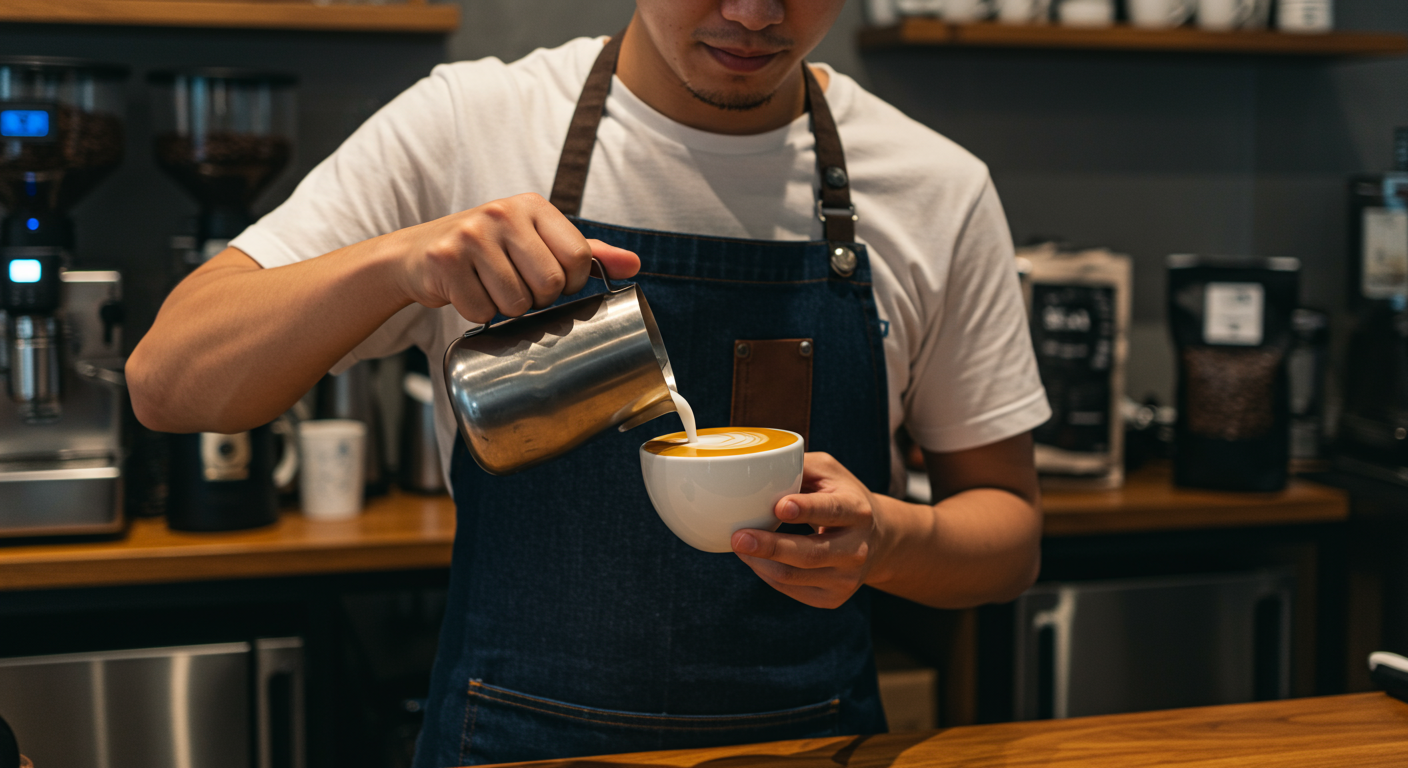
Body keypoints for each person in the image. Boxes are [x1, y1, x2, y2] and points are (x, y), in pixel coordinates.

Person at [128, 1, 1051, 764]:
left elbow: (1007, 534)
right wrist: (397, 263)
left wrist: (890, 540)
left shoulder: (935, 187)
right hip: (512, 742)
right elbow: (168, 384)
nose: (754, 14)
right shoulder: (469, 124)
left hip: (807, 743)